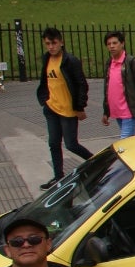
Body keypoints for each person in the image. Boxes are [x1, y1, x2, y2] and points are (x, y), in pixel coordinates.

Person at [36, 28, 92, 190]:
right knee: (53, 143)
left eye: (54, 43)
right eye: (48, 44)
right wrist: (44, 100)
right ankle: (58, 177)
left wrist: (80, 106)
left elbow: (82, 84)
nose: (51, 47)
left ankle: (96, 162)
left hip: (68, 110)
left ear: (61, 42)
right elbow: (45, 81)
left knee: (71, 144)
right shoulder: (47, 59)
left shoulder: (70, 61)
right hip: (51, 108)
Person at [98, 31, 135, 139]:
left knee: (123, 143)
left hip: (129, 111)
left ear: (122, 43)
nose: (112, 46)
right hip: (116, 110)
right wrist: (106, 112)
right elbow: (107, 89)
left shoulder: (131, 62)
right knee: (131, 140)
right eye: (109, 44)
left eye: (115, 43)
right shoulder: (109, 63)